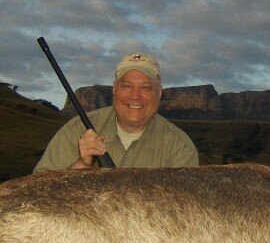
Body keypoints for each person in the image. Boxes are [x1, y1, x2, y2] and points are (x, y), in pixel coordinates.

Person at [34, 52, 198, 172]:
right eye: (127, 86)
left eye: (146, 88)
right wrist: (82, 165)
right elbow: (37, 195)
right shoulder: (75, 131)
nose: (135, 96)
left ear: (160, 93)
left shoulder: (180, 147)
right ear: (115, 89)